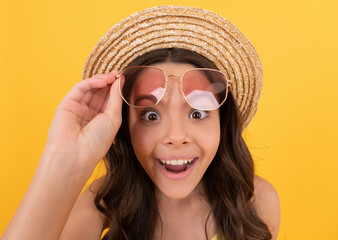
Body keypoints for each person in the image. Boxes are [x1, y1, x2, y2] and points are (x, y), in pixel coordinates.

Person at [2, 6, 280, 240]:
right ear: (124, 125)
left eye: (197, 113)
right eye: (151, 115)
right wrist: (65, 159)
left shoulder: (255, 202)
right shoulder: (100, 202)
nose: (175, 136)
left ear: (223, 121)